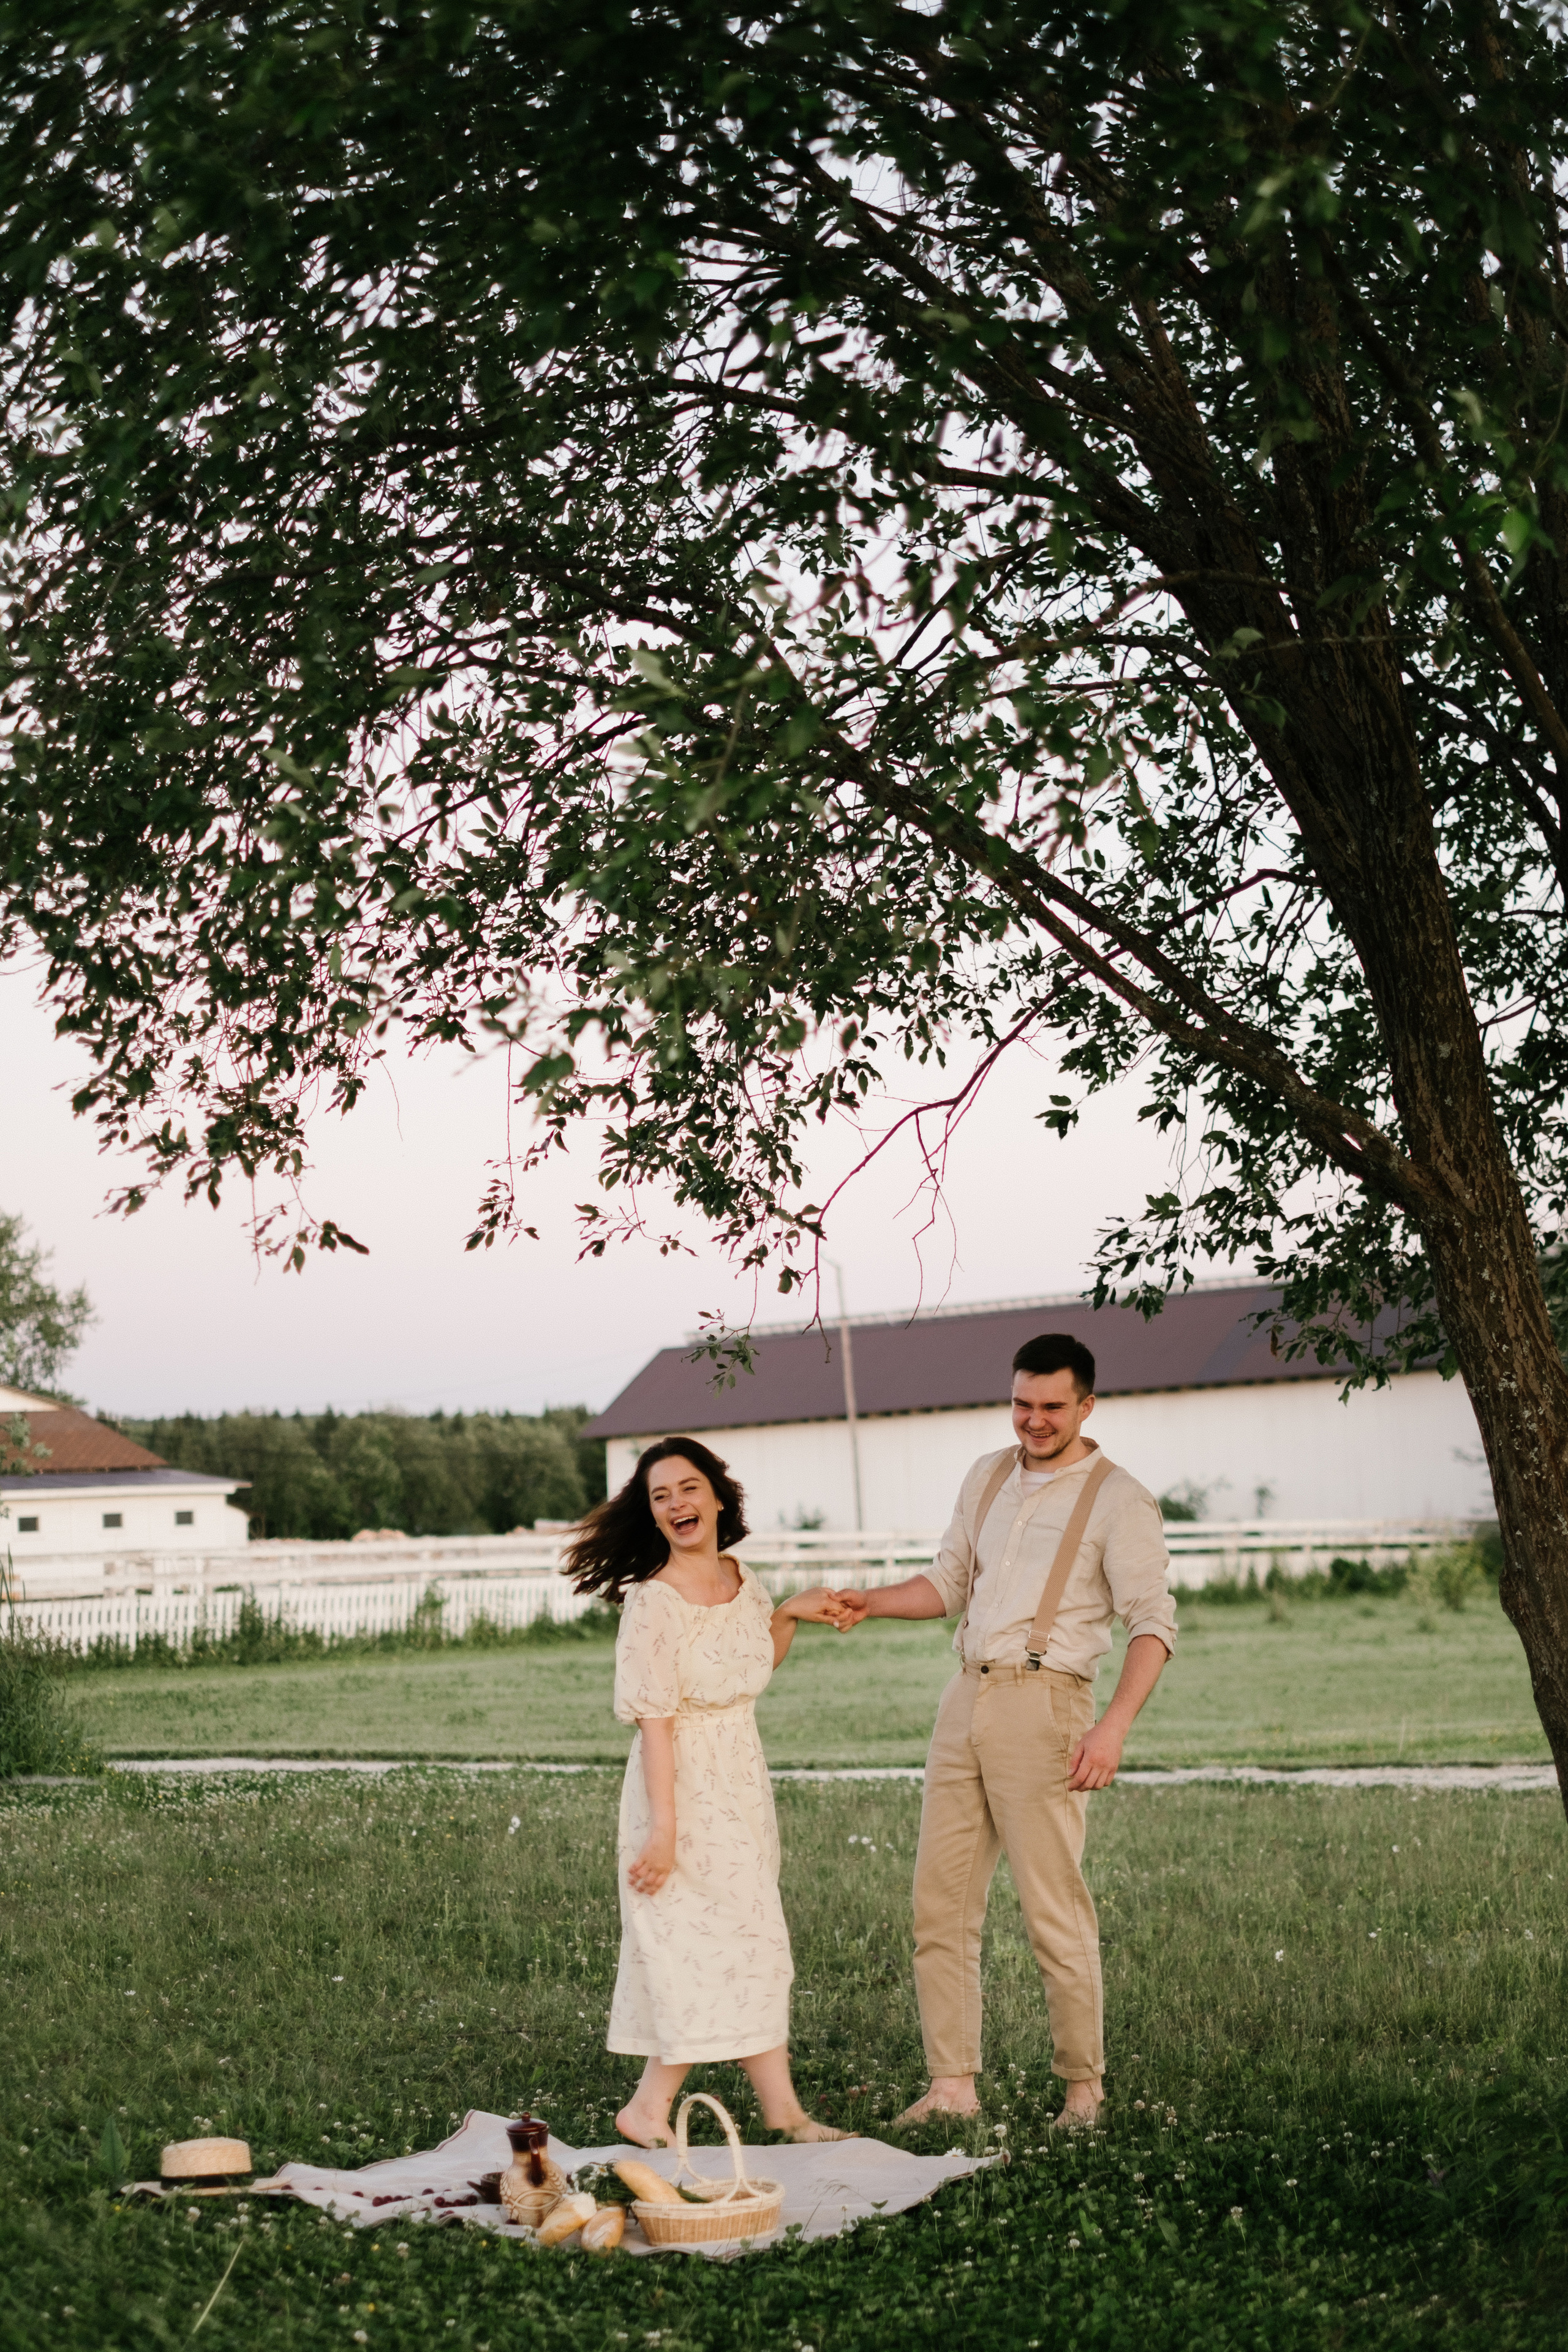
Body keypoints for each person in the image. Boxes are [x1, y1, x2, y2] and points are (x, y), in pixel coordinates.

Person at [832, 1333, 1175, 2131]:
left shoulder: (1119, 1498)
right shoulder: (987, 1475)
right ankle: (953, 2086)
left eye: (1053, 1406)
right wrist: (869, 1600)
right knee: (939, 1904)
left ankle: (1083, 2090)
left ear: (1087, 1406)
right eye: (1023, 1403)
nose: (1035, 1420)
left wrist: (1112, 1728)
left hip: (1050, 1704)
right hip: (967, 1698)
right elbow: (949, 1582)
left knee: (1053, 1906)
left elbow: (1152, 1625)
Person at [565, 1434, 854, 2148]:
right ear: (654, 1515)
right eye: (661, 1496)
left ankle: (781, 2114)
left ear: (718, 1496)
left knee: (752, 1937)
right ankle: (647, 2108)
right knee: (692, 1944)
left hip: (741, 1783)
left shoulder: (737, 1576)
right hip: (679, 1787)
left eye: (687, 1488)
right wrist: (664, 1830)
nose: (676, 1504)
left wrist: (783, 1615)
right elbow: (656, 1724)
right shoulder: (652, 1605)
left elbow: (750, 1668)